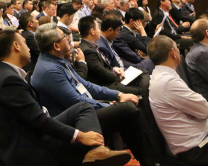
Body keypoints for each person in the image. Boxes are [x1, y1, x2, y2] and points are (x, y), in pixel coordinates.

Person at [0, 29, 131, 166]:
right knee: (127, 111)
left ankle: (96, 151)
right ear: (16, 46)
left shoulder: (9, 74)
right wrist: (80, 135)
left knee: (84, 108)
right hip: (29, 145)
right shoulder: (9, 80)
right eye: (25, 43)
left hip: (35, 131)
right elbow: (38, 120)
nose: (30, 48)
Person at [31, 23, 154, 165]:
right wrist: (108, 105)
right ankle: (151, 160)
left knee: (132, 105)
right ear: (56, 46)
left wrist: (118, 95)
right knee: (128, 110)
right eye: (64, 37)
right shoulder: (49, 70)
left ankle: (151, 157)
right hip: (75, 122)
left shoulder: (58, 61)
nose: (69, 40)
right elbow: (75, 101)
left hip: (84, 110)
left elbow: (85, 85)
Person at [149, 35, 208, 166]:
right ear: (172, 52)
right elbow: (206, 111)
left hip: (202, 136)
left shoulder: (160, 76)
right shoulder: (167, 82)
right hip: (198, 147)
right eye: (177, 47)